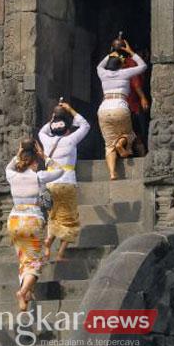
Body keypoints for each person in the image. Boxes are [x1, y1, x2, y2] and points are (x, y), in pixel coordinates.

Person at [5, 138, 64, 311]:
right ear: (35, 161)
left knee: (24, 258)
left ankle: (28, 293)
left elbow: (10, 166)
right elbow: (60, 171)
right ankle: (22, 291)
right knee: (36, 261)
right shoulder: (39, 176)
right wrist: (45, 156)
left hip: (14, 220)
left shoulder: (12, 175)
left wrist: (20, 152)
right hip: (32, 221)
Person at [39, 101, 90, 262]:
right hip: (67, 182)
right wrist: (69, 110)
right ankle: (60, 253)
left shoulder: (46, 140)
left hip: (50, 184)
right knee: (70, 219)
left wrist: (55, 116)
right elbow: (85, 125)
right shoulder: (71, 140)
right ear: (68, 129)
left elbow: (43, 130)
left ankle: (48, 241)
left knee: (54, 216)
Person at [96, 37, 148, 180]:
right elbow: (143, 66)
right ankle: (121, 144)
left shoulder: (103, 73)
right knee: (130, 134)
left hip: (104, 109)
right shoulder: (125, 72)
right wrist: (130, 52)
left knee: (108, 144)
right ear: (121, 65)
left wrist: (112, 52)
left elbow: (99, 66)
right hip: (120, 107)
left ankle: (112, 173)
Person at [123, 51, 150, 156]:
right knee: (138, 132)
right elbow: (136, 83)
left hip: (120, 104)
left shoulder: (117, 63)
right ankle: (142, 154)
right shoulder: (132, 62)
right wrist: (143, 98)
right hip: (133, 105)